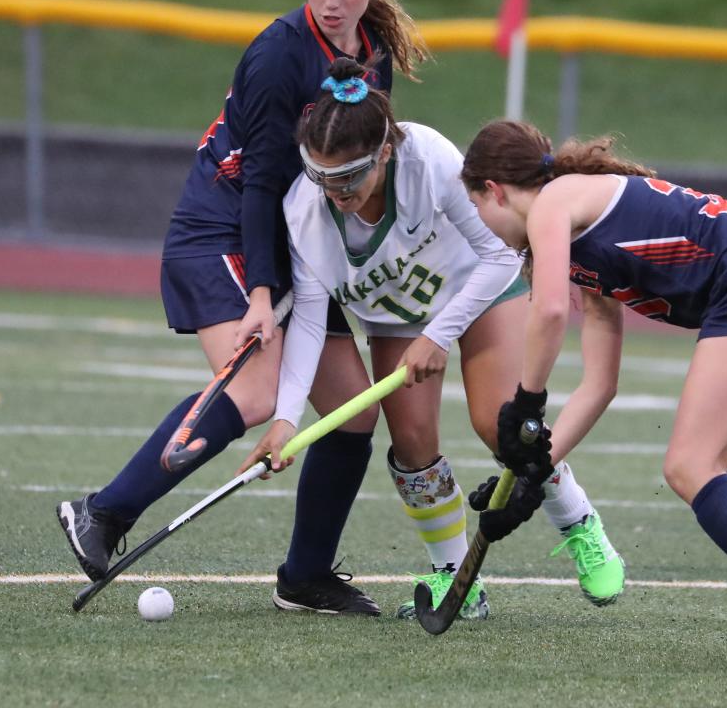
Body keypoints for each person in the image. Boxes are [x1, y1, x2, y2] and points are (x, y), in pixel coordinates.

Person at [56, 0, 427, 616]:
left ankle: (305, 576)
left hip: (292, 240)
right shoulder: (278, 56)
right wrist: (262, 294)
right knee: (257, 395)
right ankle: (100, 513)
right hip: (223, 230)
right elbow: (261, 185)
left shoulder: (373, 47)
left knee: (349, 413)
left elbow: (360, 162)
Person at [459, 118, 727, 675]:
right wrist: (538, 468)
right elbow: (599, 384)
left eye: (477, 209)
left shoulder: (556, 201)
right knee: (717, 446)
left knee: (691, 464)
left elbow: (550, 311)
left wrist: (527, 403)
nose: (485, 229)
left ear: (494, 190)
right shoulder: (578, 235)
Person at [238, 58, 627, 619]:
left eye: (350, 176)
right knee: (413, 445)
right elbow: (309, 319)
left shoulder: (427, 157)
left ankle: (580, 525)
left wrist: (441, 334)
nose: (336, 191)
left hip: (481, 286)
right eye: (323, 175)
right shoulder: (304, 209)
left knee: (502, 425)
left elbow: (500, 253)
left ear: (385, 152)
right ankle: (456, 576)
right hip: (399, 317)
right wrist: (286, 419)